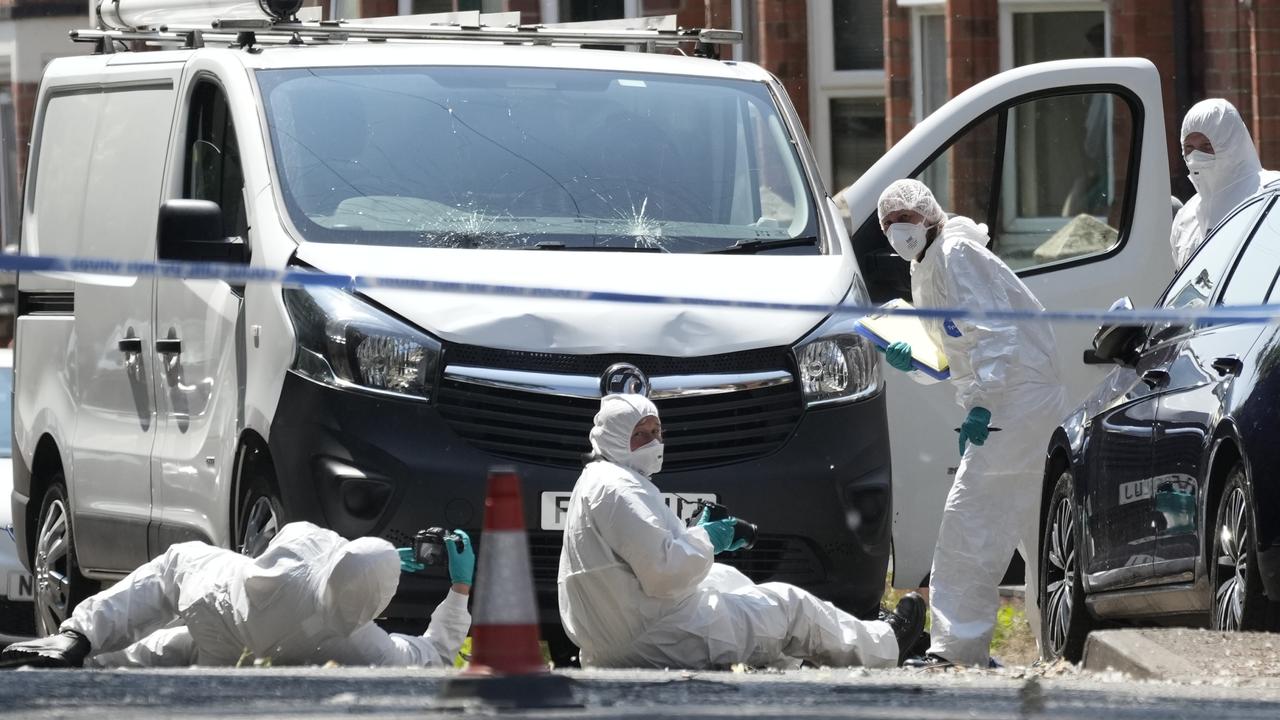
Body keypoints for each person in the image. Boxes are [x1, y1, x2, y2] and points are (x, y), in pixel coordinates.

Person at [557, 393, 925, 670]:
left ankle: (795, 662)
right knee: (788, 605)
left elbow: (646, 554)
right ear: (615, 438)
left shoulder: (597, 480)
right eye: (642, 435)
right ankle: (884, 646)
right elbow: (664, 575)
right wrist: (707, 538)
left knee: (726, 579)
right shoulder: (622, 488)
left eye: (658, 432)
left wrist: (696, 537)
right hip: (658, 639)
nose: (655, 443)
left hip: (608, 638)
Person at [871, 179, 1068, 668]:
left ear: (928, 215)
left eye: (906, 218)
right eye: (889, 223)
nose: (900, 230)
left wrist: (984, 404)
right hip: (1020, 401)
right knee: (1036, 529)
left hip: (1014, 401)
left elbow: (995, 334)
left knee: (969, 522)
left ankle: (958, 651)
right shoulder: (929, 265)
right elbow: (956, 352)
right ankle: (1061, 647)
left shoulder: (956, 254)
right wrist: (914, 359)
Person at [0, 521, 473, 669]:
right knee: (181, 653)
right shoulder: (361, 643)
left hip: (226, 603)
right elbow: (431, 654)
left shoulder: (301, 546)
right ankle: (93, 665)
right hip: (240, 658)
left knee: (172, 571)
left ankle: (77, 641)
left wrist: (381, 553)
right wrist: (458, 588)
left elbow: (317, 547)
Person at [1170, 99, 1280, 268]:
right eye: (1189, 148)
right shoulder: (1186, 218)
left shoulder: (1269, 197)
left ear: (1232, 144)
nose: (1196, 158)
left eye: (1207, 146)